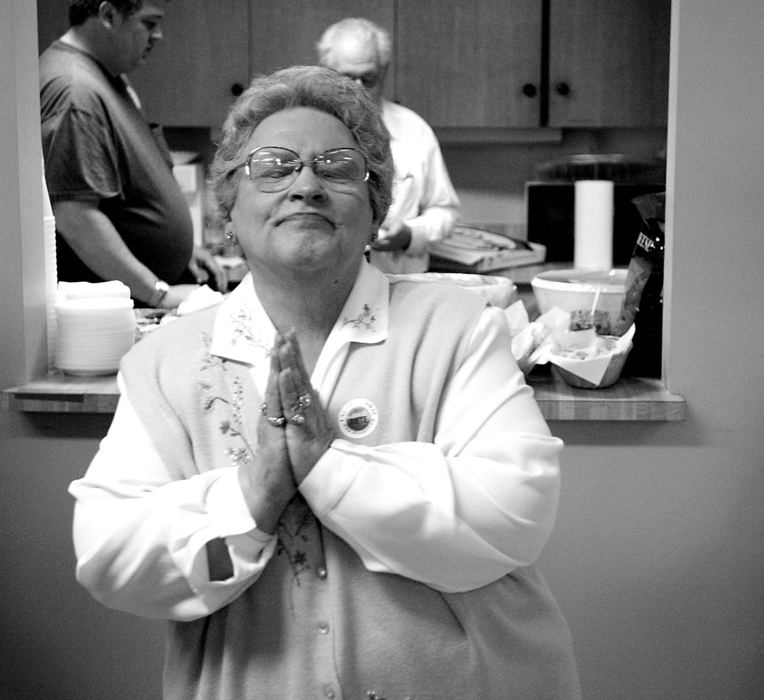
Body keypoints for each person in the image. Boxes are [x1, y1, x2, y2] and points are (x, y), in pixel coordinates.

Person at [69, 65, 580, 698]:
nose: (305, 185)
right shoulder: (164, 364)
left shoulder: (459, 328)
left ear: (375, 211)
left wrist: (326, 468)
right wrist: (255, 493)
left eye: (337, 167)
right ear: (229, 208)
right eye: (275, 167)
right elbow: (110, 557)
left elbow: (513, 510)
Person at [39, 0, 226, 308]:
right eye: (149, 23)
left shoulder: (108, 77)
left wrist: (185, 248)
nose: (159, 36)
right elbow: (75, 217)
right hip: (121, 308)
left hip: (148, 292)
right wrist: (158, 292)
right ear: (108, 15)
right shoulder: (75, 90)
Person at [317, 17, 460, 274]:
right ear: (327, 73)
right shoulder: (309, 130)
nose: (358, 90)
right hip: (329, 284)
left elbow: (445, 212)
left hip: (401, 287)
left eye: (368, 79)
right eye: (348, 78)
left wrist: (409, 234)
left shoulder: (414, 131)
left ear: (384, 71)